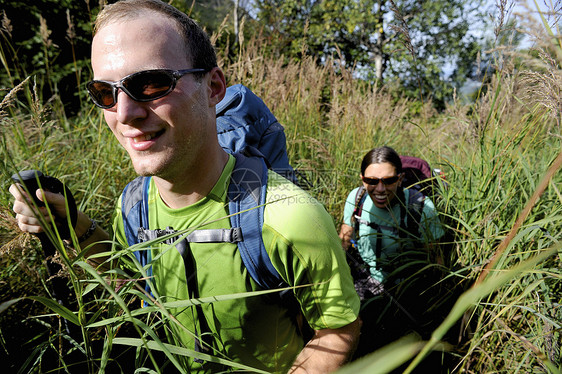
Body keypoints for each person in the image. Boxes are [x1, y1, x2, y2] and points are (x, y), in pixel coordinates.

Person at [9, 0, 360, 372]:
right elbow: (133, 280)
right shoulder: (133, 205)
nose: (124, 113)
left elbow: (338, 329)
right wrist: (74, 225)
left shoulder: (290, 216)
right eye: (105, 93)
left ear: (213, 87)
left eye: (150, 83)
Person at [339, 146, 445, 357]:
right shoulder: (356, 198)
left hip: (407, 288)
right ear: (362, 179)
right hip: (366, 280)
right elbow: (344, 241)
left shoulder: (422, 208)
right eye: (371, 181)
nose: (380, 189)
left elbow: (436, 261)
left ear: (400, 178)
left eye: (388, 181)